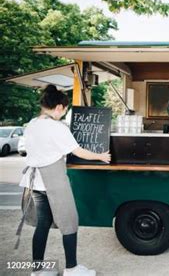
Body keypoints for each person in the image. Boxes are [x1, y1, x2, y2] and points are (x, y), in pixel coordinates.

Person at [17, 84, 111, 276]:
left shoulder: (32, 124)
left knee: (42, 224)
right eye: (64, 110)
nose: (63, 113)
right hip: (54, 181)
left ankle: (38, 270)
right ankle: (72, 269)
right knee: (69, 222)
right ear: (59, 107)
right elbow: (78, 151)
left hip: (35, 182)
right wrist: (100, 156)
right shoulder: (56, 127)